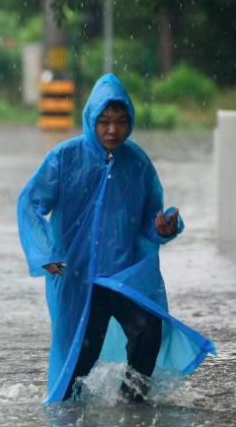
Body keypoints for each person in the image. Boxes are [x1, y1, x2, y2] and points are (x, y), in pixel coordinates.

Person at [18, 74, 216, 404]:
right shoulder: (65, 158)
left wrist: (163, 230)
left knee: (148, 332)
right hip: (77, 277)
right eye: (105, 122)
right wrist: (44, 253)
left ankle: (132, 407)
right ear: (91, 120)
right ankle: (67, 420)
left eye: (121, 122)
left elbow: (149, 222)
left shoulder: (137, 164)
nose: (113, 130)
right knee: (81, 356)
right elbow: (30, 203)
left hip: (125, 277)